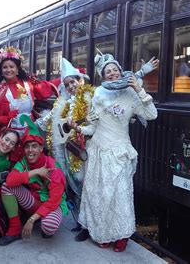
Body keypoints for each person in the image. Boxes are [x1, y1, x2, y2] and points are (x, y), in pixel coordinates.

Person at [71, 53, 158, 252]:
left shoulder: (130, 92)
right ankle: (102, 232)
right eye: (108, 71)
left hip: (119, 152)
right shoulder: (98, 94)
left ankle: (121, 235)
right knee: (98, 194)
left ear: (121, 72)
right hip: (98, 151)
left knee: (119, 195)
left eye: (115, 70)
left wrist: (138, 88)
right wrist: (78, 129)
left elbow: (152, 115)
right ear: (103, 75)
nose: (112, 73)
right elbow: (93, 126)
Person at [36, 58, 93, 230]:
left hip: (85, 151)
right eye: (67, 84)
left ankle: (87, 224)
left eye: (73, 82)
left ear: (80, 80)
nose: (71, 86)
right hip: (69, 150)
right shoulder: (65, 103)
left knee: (84, 185)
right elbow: (49, 121)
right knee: (73, 185)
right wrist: (30, 124)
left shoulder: (91, 99)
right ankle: (79, 221)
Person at [0, 115, 68, 246]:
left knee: (49, 226)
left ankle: (40, 220)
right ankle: (15, 229)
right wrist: (35, 172)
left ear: (41, 149)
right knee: (6, 187)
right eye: (27, 146)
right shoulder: (24, 162)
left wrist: (31, 219)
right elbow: (10, 180)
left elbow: (54, 200)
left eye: (34, 146)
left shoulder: (53, 167)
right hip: (34, 202)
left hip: (51, 205)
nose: (30, 150)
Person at [0, 46, 57, 151]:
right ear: (1, 70)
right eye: (5, 67)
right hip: (10, 139)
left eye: (11, 67)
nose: (8, 70)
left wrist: (66, 79)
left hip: (30, 135)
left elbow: (45, 89)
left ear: (17, 69)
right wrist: (6, 118)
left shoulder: (28, 83)